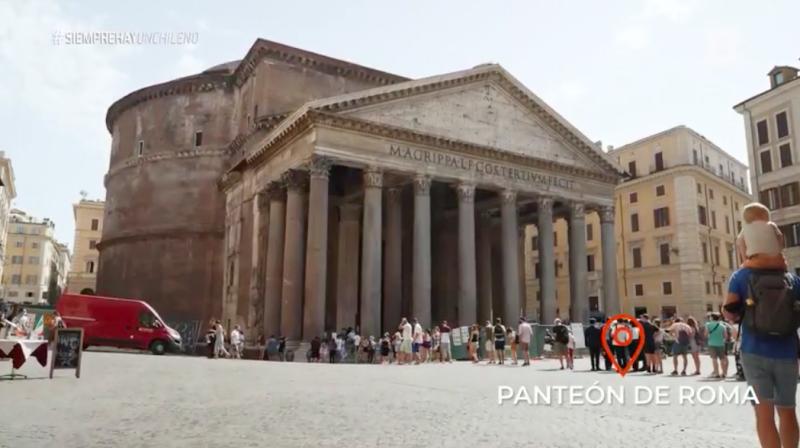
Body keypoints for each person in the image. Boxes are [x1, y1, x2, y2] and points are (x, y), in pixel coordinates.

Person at [724, 250, 800, 448]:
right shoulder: (792, 278)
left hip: (753, 351)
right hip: (788, 351)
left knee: (763, 413)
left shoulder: (740, 276)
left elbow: (729, 314)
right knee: (788, 410)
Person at [736, 202, 787, 270]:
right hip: (777, 261)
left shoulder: (745, 229)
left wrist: (745, 260)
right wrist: (779, 252)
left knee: (737, 275)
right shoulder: (772, 225)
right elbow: (780, 236)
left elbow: (740, 242)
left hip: (757, 261)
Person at [705, 312, 729, 379]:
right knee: (722, 359)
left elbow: (706, 334)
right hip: (721, 344)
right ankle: (724, 373)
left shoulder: (708, 325)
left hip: (712, 343)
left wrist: (710, 336)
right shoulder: (723, 326)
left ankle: (717, 373)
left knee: (714, 359)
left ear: (712, 318)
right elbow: (726, 336)